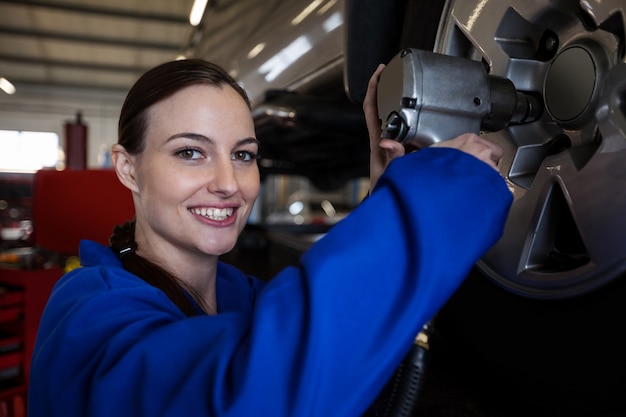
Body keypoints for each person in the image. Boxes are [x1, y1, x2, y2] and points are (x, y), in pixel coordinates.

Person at [28, 59, 512, 416]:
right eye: (191, 153)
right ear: (128, 168)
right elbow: (250, 393)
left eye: (243, 155)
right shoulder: (87, 313)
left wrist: (380, 204)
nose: (228, 182)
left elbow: (321, 336)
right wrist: (439, 193)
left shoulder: (240, 292)